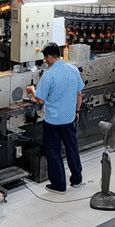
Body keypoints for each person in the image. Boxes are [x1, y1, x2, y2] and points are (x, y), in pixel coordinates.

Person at [25, 43, 85, 194]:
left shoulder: (48, 75)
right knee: (72, 148)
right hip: (69, 118)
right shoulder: (73, 70)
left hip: (53, 121)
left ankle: (59, 185)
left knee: (53, 152)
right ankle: (77, 179)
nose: (45, 61)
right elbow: (79, 94)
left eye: (46, 58)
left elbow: (40, 100)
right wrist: (77, 111)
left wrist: (32, 90)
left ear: (50, 57)